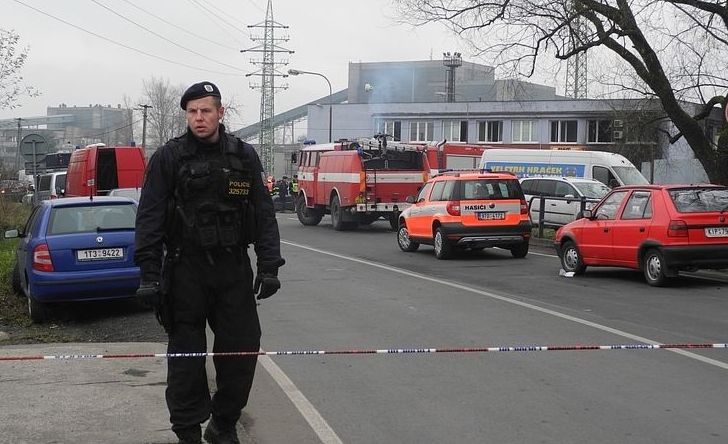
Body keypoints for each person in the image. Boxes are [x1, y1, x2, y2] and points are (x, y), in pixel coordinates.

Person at [134, 81, 285, 444]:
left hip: (232, 268)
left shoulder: (243, 156)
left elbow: (263, 212)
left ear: (220, 112)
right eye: (192, 112)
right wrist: (149, 275)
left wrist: (269, 265)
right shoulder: (169, 158)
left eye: (205, 110)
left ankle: (223, 423)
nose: (198, 118)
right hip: (185, 269)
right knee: (186, 358)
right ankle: (187, 431)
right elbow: (149, 218)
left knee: (242, 349)